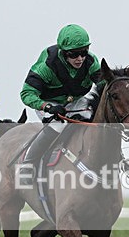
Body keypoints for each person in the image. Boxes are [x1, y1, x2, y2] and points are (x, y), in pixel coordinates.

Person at [19, 24, 106, 169]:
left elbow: (104, 86)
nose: (80, 59)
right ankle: (28, 163)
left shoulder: (91, 62)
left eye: (84, 52)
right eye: (74, 54)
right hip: (49, 102)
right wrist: (47, 106)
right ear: (64, 52)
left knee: (94, 118)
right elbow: (26, 93)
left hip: (76, 101)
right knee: (57, 125)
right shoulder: (46, 66)